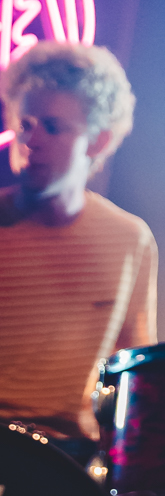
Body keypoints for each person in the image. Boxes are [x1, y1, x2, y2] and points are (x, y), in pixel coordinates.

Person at [0, 39, 153, 459]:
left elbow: (132, 373)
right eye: (25, 124)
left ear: (98, 141)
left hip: (68, 458)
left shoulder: (130, 239)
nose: (31, 139)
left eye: (52, 126)